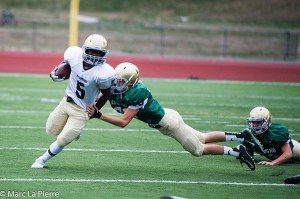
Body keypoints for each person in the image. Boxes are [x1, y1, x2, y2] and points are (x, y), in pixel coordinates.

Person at [87, 62, 256, 171]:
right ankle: (239, 136)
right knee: (201, 137)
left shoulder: (137, 92)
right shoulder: (120, 89)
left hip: (169, 124)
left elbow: (124, 122)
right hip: (167, 116)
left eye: (121, 82)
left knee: (198, 149)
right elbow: (101, 94)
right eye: (116, 80)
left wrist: (99, 115)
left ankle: (237, 152)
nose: (117, 84)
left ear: (132, 82)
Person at [31, 34, 116, 168]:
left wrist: (95, 109)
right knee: (50, 130)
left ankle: (41, 160)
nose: (94, 55)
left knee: (63, 139)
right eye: (91, 51)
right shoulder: (73, 55)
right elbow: (66, 65)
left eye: (98, 53)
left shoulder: (104, 73)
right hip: (65, 102)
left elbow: (106, 93)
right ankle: (74, 132)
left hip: (82, 110)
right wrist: (59, 69)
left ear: (104, 54)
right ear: (84, 50)